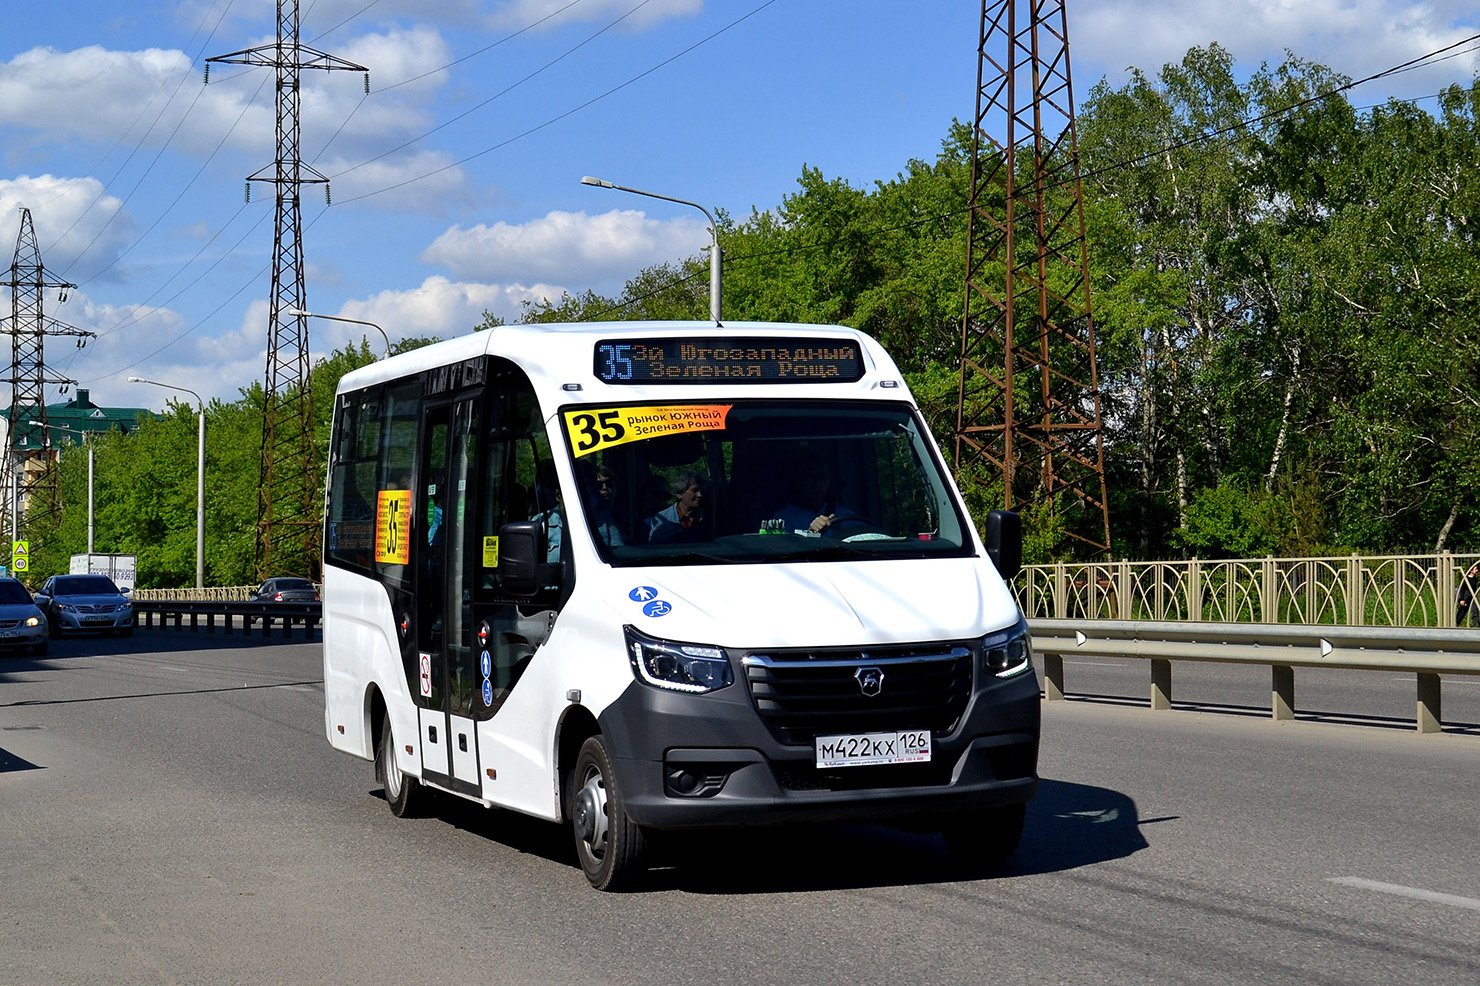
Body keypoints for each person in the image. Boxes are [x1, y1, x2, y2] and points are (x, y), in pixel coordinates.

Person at [772, 452, 865, 537]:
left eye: (822, 477)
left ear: (828, 482)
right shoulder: (782, 520)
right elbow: (782, 552)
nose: (817, 483)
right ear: (798, 482)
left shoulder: (844, 515)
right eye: (809, 477)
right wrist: (810, 533)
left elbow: (868, 538)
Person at [645, 469, 708, 544]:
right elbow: (656, 551)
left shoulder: (710, 517)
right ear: (679, 494)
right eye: (695, 490)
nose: (700, 495)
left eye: (702, 491)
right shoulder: (662, 521)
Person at [587, 463, 626, 547]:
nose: (604, 487)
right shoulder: (591, 517)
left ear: (617, 486)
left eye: (609, 483)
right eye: (599, 485)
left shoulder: (628, 514)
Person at [1457, 561, 1480, 626]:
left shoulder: (1475, 579)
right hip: (1466, 597)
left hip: (1473, 597)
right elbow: (1462, 589)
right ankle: (1455, 624)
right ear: (1471, 570)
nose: (1477, 570)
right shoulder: (1465, 578)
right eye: (1475, 569)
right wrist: (1460, 599)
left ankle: (1476, 625)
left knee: (1475, 611)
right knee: (1462, 612)